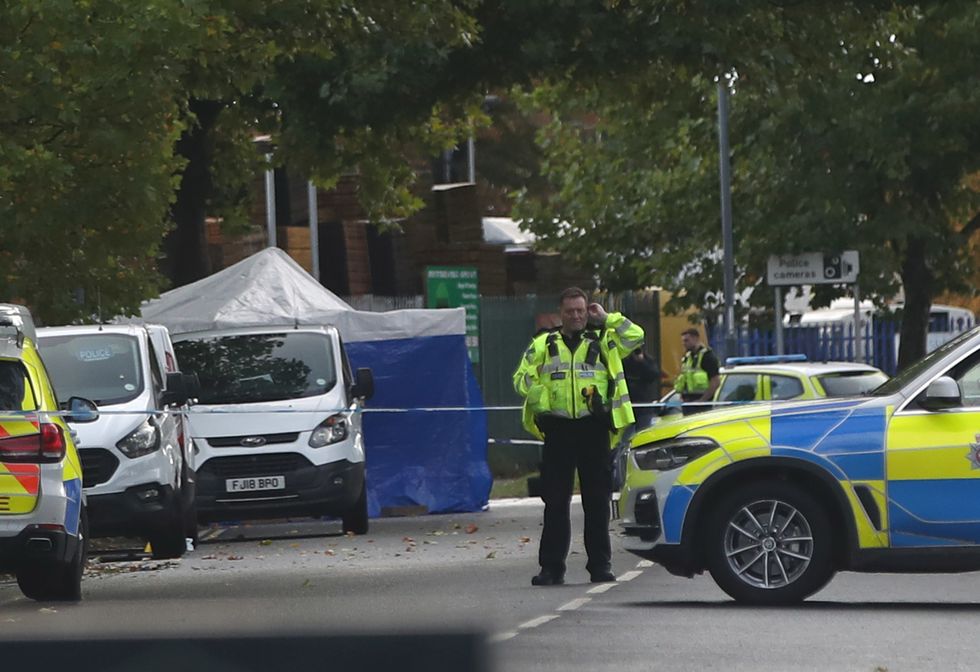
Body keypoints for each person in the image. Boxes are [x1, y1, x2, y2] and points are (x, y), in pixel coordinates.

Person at [513, 287, 643, 586]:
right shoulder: (545, 343)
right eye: (570, 311)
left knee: (596, 503)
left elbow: (635, 336)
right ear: (561, 313)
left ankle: (600, 566)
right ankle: (551, 568)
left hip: (594, 428)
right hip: (558, 431)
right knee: (555, 503)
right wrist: (538, 394)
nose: (575, 316)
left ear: (588, 312)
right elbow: (522, 377)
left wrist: (608, 318)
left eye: (581, 311)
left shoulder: (604, 340)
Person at [674, 328, 720, 415]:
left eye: (686, 340)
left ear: (696, 338)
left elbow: (716, 381)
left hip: (701, 405)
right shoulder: (688, 356)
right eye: (683, 341)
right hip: (687, 403)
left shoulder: (708, 357)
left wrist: (702, 400)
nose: (684, 344)